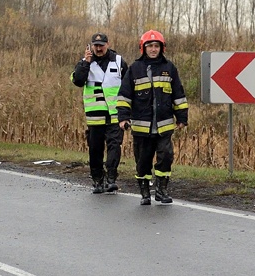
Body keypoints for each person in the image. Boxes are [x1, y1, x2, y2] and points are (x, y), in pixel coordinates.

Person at [116, 30, 188, 205]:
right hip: (141, 127)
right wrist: (123, 118)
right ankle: (145, 194)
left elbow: (178, 95)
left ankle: (162, 191)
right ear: (143, 48)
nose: (153, 49)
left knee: (166, 157)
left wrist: (182, 118)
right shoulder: (135, 69)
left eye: (157, 46)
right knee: (143, 161)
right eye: (150, 46)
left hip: (164, 126)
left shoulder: (169, 68)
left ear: (162, 48)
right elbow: (124, 96)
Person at [71, 32, 128, 194]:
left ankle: (111, 178)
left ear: (107, 45)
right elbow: (78, 81)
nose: (98, 48)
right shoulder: (84, 63)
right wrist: (86, 63)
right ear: (91, 47)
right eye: (95, 46)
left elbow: (128, 85)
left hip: (115, 113)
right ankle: (97, 180)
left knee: (114, 145)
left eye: (101, 45)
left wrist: (128, 110)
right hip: (95, 115)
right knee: (95, 148)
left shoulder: (118, 62)